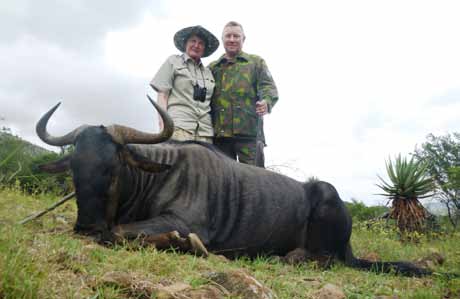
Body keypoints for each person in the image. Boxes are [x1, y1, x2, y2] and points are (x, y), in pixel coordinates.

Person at [209, 21, 278, 166]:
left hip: (250, 136)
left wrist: (267, 102)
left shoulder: (256, 62)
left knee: (255, 182)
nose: (232, 39)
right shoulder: (213, 67)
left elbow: (268, 87)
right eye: (228, 36)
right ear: (222, 39)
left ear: (243, 39)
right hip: (220, 138)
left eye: (236, 36)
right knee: (224, 182)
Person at [150, 25, 219, 143]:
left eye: (201, 43)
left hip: (205, 134)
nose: (196, 45)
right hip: (179, 129)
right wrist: (163, 128)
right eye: (193, 41)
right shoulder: (173, 61)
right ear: (186, 43)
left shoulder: (208, 72)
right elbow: (163, 95)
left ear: (204, 48)